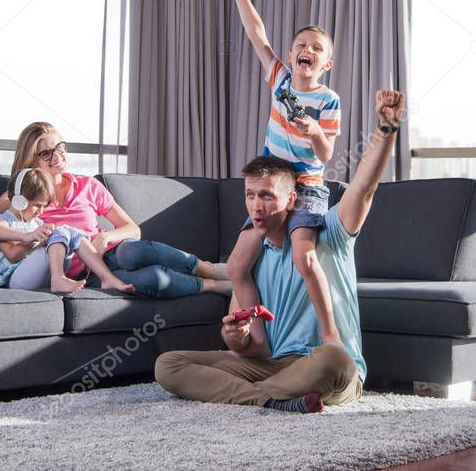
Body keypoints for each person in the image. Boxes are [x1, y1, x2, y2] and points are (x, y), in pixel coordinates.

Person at [155, 90, 406, 413]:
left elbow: (365, 187)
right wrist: (234, 335)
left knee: (334, 359)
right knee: (168, 364)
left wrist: (385, 128)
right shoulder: (249, 261)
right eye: (250, 195)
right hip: (273, 365)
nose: (256, 206)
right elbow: (247, 348)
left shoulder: (328, 232)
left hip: (324, 364)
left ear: (290, 200)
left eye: (267, 196)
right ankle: (271, 400)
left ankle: (250, 396)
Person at [225, 0, 344, 348]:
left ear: (325, 64)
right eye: (301, 45)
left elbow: (326, 153)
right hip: (272, 182)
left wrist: (313, 132)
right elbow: (256, 34)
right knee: (236, 265)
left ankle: (330, 335)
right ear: (291, 55)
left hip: (306, 184)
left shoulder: (328, 99)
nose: (306, 50)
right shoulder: (279, 79)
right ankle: (257, 341)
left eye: (316, 48)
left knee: (304, 258)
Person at [0, 122, 232, 297]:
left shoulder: (87, 186)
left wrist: (107, 236)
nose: (58, 156)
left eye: (60, 148)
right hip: (84, 274)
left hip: (107, 254)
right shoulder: (23, 196)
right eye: (47, 153)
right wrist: (27, 236)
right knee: (152, 280)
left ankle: (206, 268)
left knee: (134, 250)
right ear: (31, 160)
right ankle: (212, 286)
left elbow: (133, 229)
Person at [0, 167, 135, 295]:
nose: (41, 211)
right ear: (20, 201)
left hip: (39, 275)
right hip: (15, 279)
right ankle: (57, 279)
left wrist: (46, 238)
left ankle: (106, 278)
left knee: (70, 232)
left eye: (44, 206)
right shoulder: (2, 222)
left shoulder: (36, 222)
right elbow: (12, 255)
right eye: (38, 205)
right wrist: (35, 240)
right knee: (59, 232)